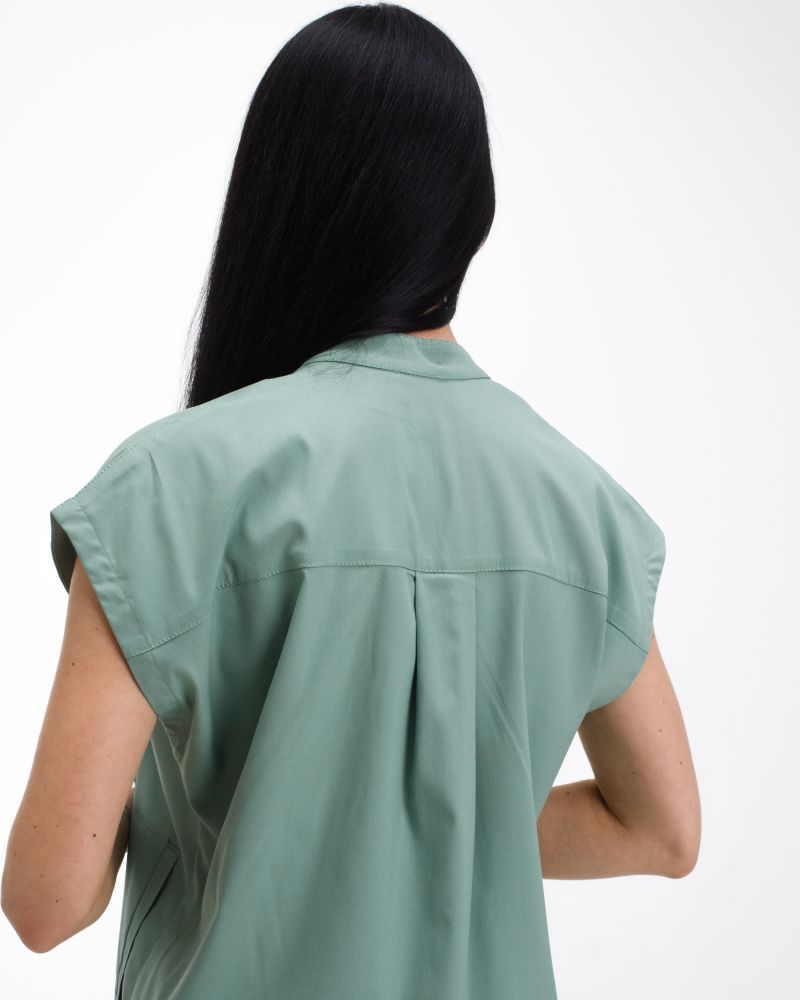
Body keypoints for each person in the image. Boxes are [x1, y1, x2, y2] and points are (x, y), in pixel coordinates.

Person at [1, 4, 700, 998]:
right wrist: (438, 832)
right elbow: (662, 829)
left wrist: (268, 827)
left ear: (278, 196)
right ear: (470, 215)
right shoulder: (587, 511)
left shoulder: (169, 488)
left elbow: (46, 899)